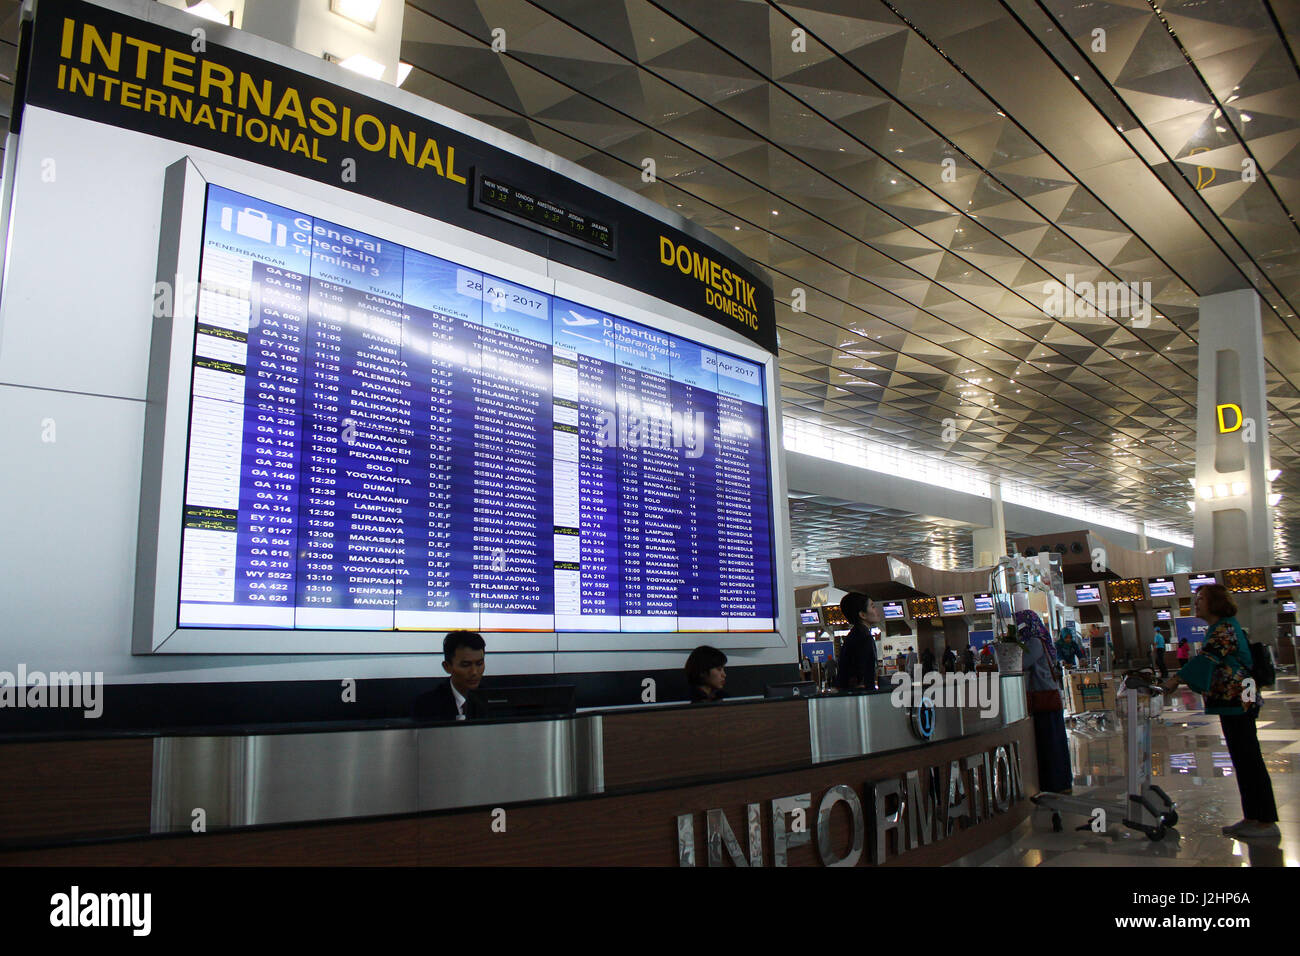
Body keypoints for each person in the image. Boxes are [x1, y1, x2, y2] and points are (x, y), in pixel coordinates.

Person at [1162, 585, 1279, 839]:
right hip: (1232, 703)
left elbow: (1208, 658)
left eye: (1201, 599)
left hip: (1239, 702)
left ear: (1216, 603)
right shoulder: (1219, 627)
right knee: (1242, 759)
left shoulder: (1226, 627)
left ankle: (1266, 821)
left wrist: (1175, 680)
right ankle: (1252, 816)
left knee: (1249, 760)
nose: (1196, 603)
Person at [1017, 609, 1073, 794]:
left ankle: (1054, 782)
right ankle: (1059, 781)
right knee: (1054, 742)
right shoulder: (1042, 639)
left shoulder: (1034, 642)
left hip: (1043, 698)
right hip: (1048, 696)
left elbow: (1021, 664)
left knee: (1050, 744)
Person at [412, 630, 489, 721]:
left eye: (479, 664)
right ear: (447, 667)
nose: (474, 672)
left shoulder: (491, 699)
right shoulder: (426, 705)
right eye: (465, 665)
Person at [835, 592, 880, 691]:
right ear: (862, 615)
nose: (877, 610)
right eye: (872, 607)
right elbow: (862, 673)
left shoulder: (853, 635)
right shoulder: (864, 638)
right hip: (860, 696)